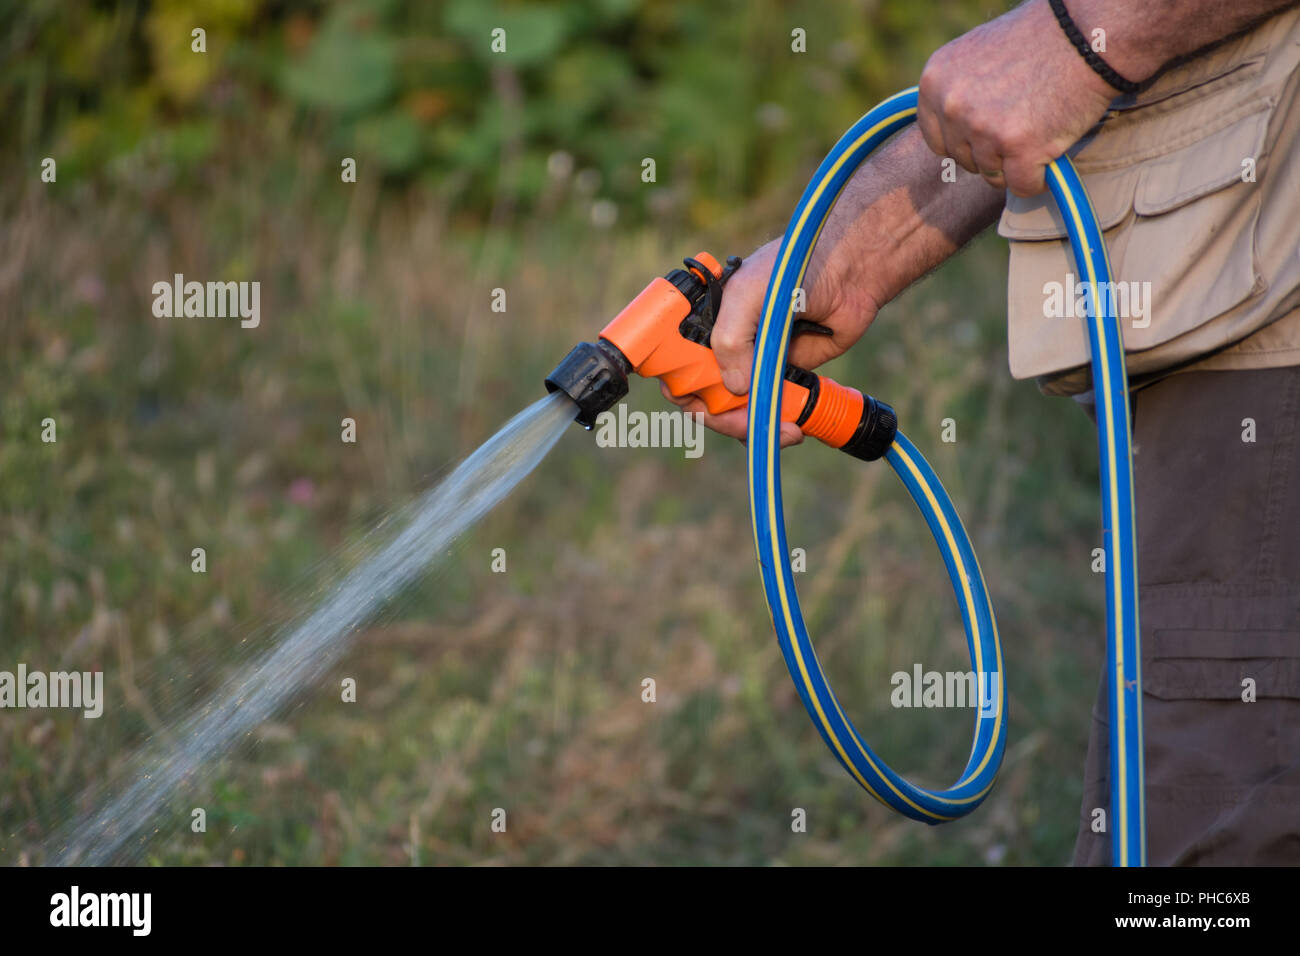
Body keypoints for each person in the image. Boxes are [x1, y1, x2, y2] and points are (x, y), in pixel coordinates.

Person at [666, 0, 1300, 865]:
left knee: (1209, 840)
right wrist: (847, 253)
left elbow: (1070, 54)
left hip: (1269, 355)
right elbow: (1035, 99)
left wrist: (1083, 37)